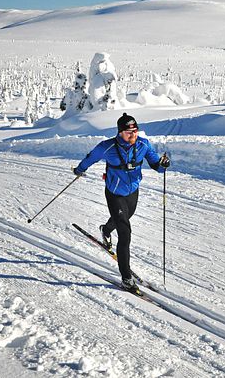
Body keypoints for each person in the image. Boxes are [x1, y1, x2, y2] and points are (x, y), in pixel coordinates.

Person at [73, 113, 170, 292]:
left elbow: (157, 165)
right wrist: (79, 169)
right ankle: (126, 278)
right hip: (114, 193)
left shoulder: (143, 144)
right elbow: (90, 158)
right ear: (119, 132)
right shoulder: (107, 146)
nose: (132, 135)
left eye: (135, 131)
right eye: (128, 132)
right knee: (125, 232)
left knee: (125, 217)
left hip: (132, 191)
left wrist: (163, 164)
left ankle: (106, 229)